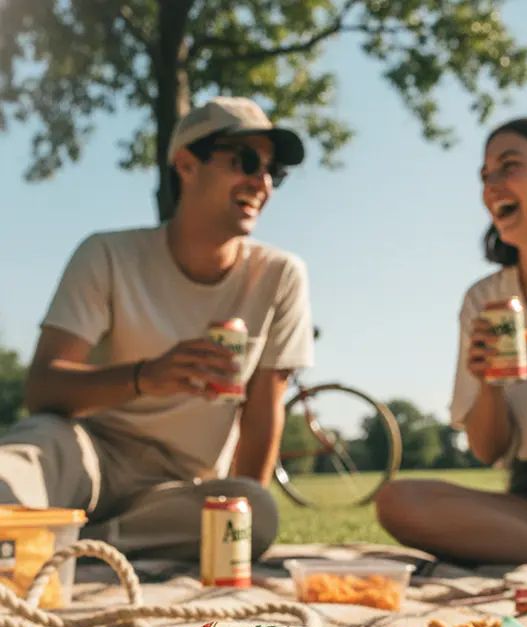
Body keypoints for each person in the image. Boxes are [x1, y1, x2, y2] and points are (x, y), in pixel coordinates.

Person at [0, 96, 313, 560]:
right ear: (186, 165)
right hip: (86, 449)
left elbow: (264, 415)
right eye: (245, 160)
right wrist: (145, 377)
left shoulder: (280, 275)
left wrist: (239, 524)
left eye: (273, 172)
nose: (261, 182)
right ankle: (49, 539)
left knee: (256, 511)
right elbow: (43, 388)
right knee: (25, 457)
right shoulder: (107, 255)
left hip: (177, 487)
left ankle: (67, 548)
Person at [376, 117, 527, 567]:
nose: (492, 186)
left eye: (509, 167)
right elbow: (489, 450)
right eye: (485, 175)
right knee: (398, 500)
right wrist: (488, 382)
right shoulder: (484, 299)